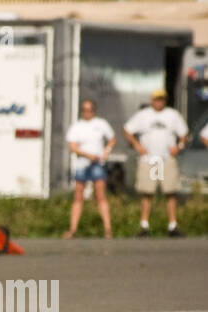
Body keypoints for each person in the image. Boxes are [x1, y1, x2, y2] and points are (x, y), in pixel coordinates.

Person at [123, 89, 189, 237]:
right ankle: (144, 225)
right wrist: (137, 145)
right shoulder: (143, 115)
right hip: (149, 159)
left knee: (170, 192)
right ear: (152, 100)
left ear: (165, 100)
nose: (159, 102)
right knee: (147, 192)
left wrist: (179, 147)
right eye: (156, 99)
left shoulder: (172, 115)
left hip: (166, 158)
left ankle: (172, 225)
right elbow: (127, 129)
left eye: (161, 99)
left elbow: (184, 134)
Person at [63, 99, 113, 238]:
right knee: (78, 196)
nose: (87, 113)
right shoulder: (77, 126)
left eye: (89, 110)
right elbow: (73, 147)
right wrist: (87, 154)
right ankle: (73, 229)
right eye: (84, 110)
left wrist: (106, 151)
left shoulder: (100, 124)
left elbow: (112, 138)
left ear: (94, 111)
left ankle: (107, 229)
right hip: (82, 164)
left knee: (100, 195)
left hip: (97, 163)